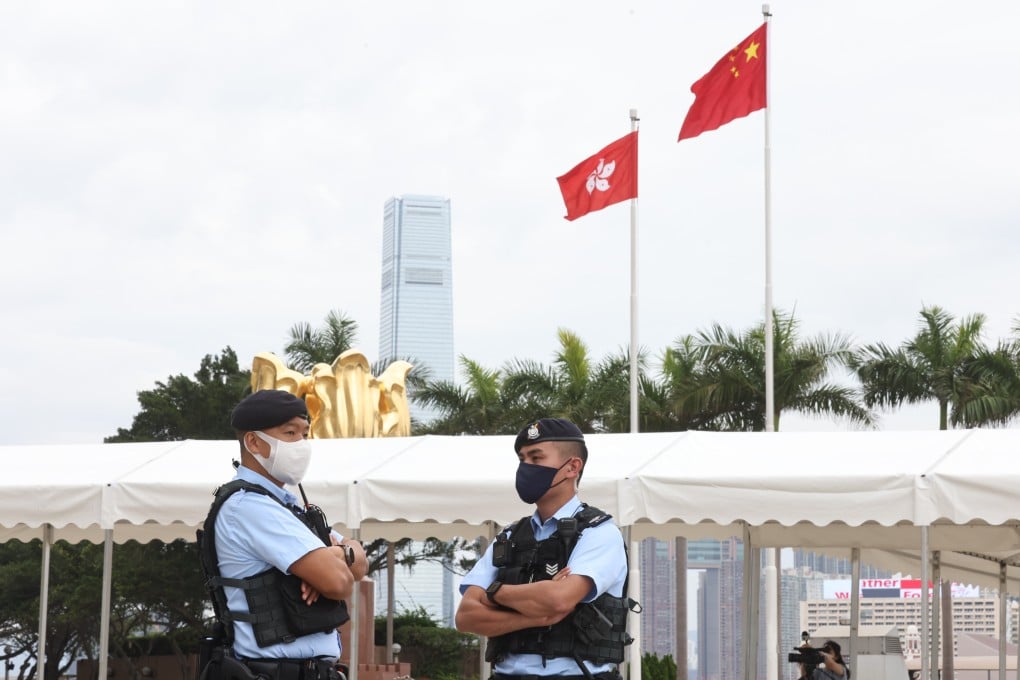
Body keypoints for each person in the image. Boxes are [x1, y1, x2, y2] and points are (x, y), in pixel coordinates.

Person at [198, 389, 368, 680]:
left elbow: (361, 562)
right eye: (290, 433)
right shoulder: (250, 507)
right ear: (253, 442)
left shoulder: (287, 506)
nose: (301, 444)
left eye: (304, 433)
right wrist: (329, 565)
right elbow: (340, 582)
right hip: (274, 672)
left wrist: (335, 555)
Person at [456, 417, 636, 680]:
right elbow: (466, 616)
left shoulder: (598, 533)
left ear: (572, 467)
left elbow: (558, 599)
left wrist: (492, 593)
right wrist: (534, 617)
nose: (526, 466)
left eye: (536, 458)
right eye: (522, 459)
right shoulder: (508, 537)